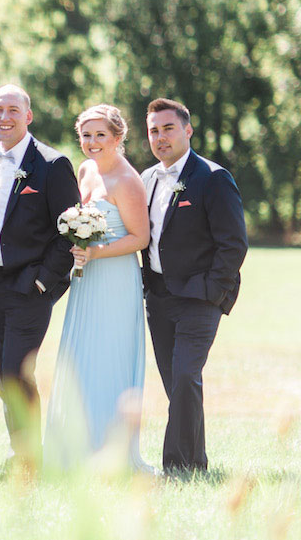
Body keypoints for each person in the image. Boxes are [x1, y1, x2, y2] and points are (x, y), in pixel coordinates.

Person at [141, 98, 247, 473]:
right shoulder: (147, 179)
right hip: (157, 298)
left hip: (199, 299)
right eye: (154, 131)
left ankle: (174, 467)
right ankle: (196, 462)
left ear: (187, 130)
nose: (160, 137)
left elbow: (233, 243)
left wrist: (213, 292)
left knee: (186, 375)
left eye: (168, 128)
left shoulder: (213, 178)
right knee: (178, 385)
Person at [43, 105, 150, 471]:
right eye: (86, 135)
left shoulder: (127, 180)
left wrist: (97, 250)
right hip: (85, 278)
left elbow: (140, 237)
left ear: (117, 138)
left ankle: (109, 449)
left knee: (109, 356)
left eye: (100, 135)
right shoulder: (86, 170)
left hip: (115, 278)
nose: (91, 142)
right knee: (82, 354)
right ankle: (75, 445)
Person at [0, 84, 80, 463]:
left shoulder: (53, 165)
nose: (4, 117)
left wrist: (42, 281)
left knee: (17, 375)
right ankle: (22, 452)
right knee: (6, 381)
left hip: (29, 287)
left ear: (28, 116)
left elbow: (71, 230)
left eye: (13, 110)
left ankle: (30, 456)